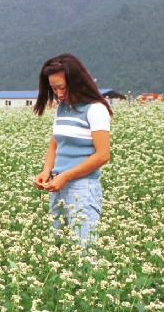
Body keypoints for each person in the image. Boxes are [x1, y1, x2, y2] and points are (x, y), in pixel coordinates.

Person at [32, 54, 111, 247]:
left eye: (62, 87)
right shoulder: (62, 109)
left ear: (76, 82)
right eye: (53, 88)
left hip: (82, 187)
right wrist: (46, 171)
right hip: (58, 184)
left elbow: (102, 155)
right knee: (59, 246)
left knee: (84, 248)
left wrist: (66, 176)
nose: (58, 93)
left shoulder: (95, 109)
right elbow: (55, 143)